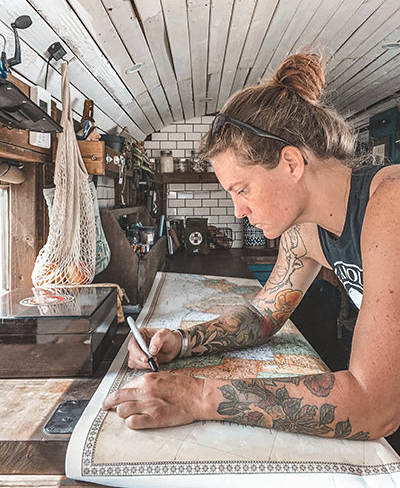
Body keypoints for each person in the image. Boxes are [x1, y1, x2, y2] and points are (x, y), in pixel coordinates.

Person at [102, 53, 400, 441]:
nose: (239, 211)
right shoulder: (303, 230)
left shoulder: (390, 202)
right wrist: (184, 340)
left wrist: (200, 396)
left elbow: (374, 406)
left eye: (241, 190)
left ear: (291, 163)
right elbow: (263, 315)